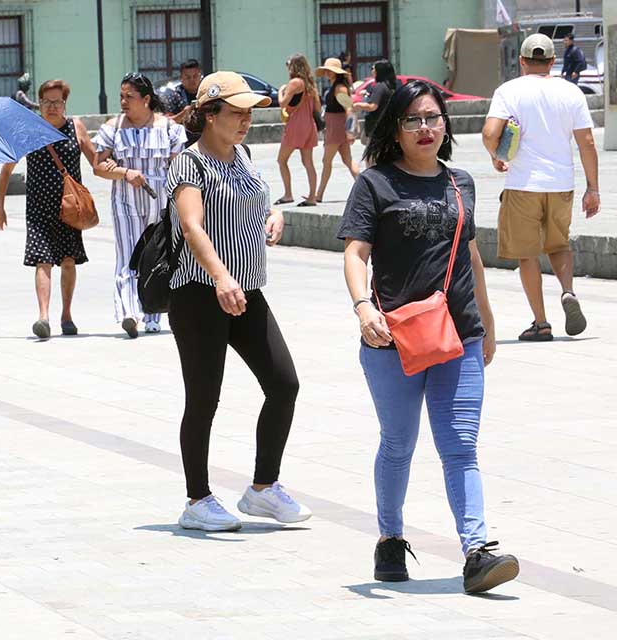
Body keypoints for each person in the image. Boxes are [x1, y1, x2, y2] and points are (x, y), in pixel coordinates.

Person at [340, 79, 519, 594]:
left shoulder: (462, 182)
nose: (425, 128)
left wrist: (485, 321)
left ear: (446, 124)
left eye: (433, 118)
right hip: (392, 336)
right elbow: (355, 253)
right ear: (394, 129)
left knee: (461, 444)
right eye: (413, 119)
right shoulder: (374, 183)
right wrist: (363, 307)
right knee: (398, 444)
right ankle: (390, 539)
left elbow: (471, 255)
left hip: (458, 334)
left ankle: (477, 551)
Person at [163, 71, 306, 532]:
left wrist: (275, 214)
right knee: (204, 398)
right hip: (201, 294)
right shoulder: (190, 164)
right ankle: (197, 500)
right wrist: (220, 276)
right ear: (209, 114)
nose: (245, 121)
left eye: (249, 113)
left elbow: (258, 201)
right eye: (236, 113)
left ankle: (263, 489)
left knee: (284, 384)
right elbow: (192, 227)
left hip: (247, 290)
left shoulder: (243, 156)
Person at [481, 33, 600, 341]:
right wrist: (593, 188)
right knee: (559, 245)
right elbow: (586, 142)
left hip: (522, 185)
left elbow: (489, 132)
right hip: (561, 184)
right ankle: (568, 291)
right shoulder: (570, 92)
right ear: (551, 61)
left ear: (522, 61)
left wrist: (496, 156)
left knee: (527, 254)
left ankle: (541, 323)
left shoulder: (509, 90)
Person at [0, 79, 99, 340]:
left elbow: (96, 162)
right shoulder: (29, 130)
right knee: (43, 260)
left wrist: (123, 172)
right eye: (47, 102)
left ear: (65, 103)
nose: (52, 107)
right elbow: (6, 168)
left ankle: (67, 315)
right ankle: (43, 317)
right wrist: (0, 206)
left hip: (70, 207)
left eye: (57, 102)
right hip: (39, 208)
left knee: (68, 261)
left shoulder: (76, 127)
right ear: (38, 103)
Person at [92, 73, 188, 337]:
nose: (123, 101)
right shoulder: (112, 128)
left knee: (154, 256)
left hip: (160, 200)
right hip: (125, 199)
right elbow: (98, 166)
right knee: (126, 254)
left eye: (129, 97)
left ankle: (153, 314)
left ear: (146, 99)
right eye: (121, 96)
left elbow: (179, 166)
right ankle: (128, 313)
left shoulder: (168, 128)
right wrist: (124, 173)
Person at [275, 54, 320, 207]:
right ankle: (312, 197)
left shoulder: (294, 83)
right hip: (309, 124)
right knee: (308, 162)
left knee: (281, 160)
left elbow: (282, 103)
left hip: (296, 124)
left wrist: (281, 90)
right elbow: (318, 108)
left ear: (293, 66)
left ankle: (288, 194)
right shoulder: (310, 84)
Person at [315, 57, 360, 202]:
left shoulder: (339, 87)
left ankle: (319, 195)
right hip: (335, 126)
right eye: (326, 70)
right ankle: (366, 190)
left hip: (336, 127)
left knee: (326, 161)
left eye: (330, 70)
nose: (327, 73)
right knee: (348, 161)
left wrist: (350, 131)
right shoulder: (336, 85)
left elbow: (348, 109)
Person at [353, 60, 399, 143]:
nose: (372, 71)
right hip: (387, 125)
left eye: (373, 68)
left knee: (373, 153)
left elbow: (373, 106)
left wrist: (358, 105)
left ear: (379, 71)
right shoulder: (389, 86)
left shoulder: (379, 86)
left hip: (378, 126)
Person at [160, 59, 203, 125]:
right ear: (181, 78)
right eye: (188, 77)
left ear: (200, 76)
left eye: (195, 76)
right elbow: (166, 122)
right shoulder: (173, 96)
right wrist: (183, 114)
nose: (192, 80)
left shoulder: (205, 93)